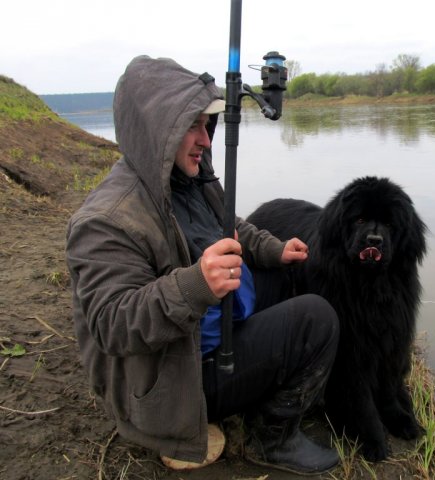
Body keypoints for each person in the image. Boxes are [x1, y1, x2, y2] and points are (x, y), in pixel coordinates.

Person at [65, 55, 340, 475]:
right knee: (317, 319)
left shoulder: (189, 175)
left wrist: (273, 250)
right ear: (158, 130)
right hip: (172, 382)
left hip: (203, 336)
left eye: (206, 125)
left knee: (291, 279)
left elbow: (231, 224)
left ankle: (261, 390)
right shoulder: (106, 219)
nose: (206, 139)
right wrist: (194, 284)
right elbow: (112, 324)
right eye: (192, 126)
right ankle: (272, 440)